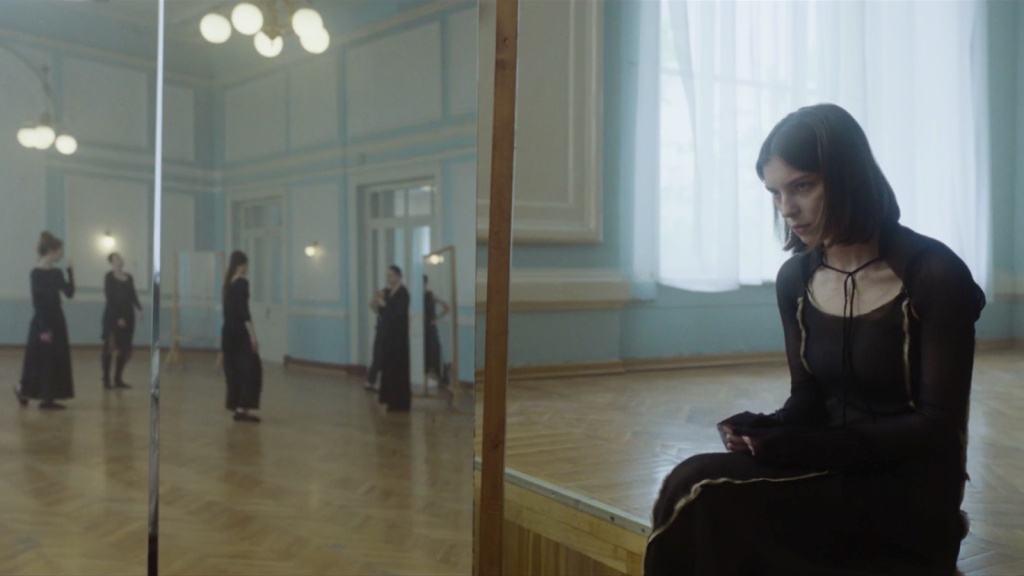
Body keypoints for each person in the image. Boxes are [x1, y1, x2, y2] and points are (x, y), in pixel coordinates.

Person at [644, 103, 986, 576]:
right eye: (775, 192)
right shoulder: (796, 279)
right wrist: (763, 430)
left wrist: (807, 448)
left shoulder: (935, 275)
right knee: (691, 482)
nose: (786, 208)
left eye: (802, 186)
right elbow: (808, 398)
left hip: (910, 497)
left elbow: (937, 426)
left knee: (703, 493)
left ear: (847, 178)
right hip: (829, 470)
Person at [14, 231, 76, 410]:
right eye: (60, 251)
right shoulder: (36, 274)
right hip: (43, 321)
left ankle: (46, 398)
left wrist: (70, 272)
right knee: (38, 359)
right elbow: (38, 302)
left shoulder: (56, 273)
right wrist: (43, 328)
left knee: (54, 358)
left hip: (57, 319)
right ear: (50, 251)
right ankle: (25, 390)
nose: (61, 254)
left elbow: (69, 293)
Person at [221, 250, 262, 423]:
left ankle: (236, 405)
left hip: (227, 332)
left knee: (233, 370)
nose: (247, 268)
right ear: (241, 265)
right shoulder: (242, 283)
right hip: (239, 333)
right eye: (246, 265)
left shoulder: (227, 284)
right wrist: (253, 336)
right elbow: (244, 312)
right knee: (250, 370)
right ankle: (242, 407)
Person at [101, 252, 142, 389]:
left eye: (119, 258)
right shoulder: (109, 277)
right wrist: (118, 317)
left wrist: (139, 308)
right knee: (109, 348)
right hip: (112, 317)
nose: (118, 261)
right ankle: (106, 380)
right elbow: (110, 297)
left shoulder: (129, 277)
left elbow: (133, 294)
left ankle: (118, 379)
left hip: (128, 315)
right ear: (111, 263)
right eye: (115, 259)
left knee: (124, 348)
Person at [376, 265, 410, 412]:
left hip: (399, 338)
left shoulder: (403, 293)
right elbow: (383, 313)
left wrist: (383, 304)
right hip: (389, 336)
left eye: (390, 275)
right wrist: (379, 302)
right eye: (387, 276)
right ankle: (389, 399)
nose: (388, 278)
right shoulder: (389, 292)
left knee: (398, 368)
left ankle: (399, 402)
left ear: (398, 276)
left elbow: (397, 314)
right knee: (389, 367)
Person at [423, 274, 451, 384]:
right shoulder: (415, 296)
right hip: (420, 327)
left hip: (430, 326)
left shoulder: (430, 295)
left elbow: (447, 307)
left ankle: (439, 376)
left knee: (434, 349)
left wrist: (436, 319)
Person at [365, 286, 386, 392]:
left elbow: (384, 305)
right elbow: (371, 305)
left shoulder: (387, 305)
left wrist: (378, 298)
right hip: (380, 332)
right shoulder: (380, 305)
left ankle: (379, 382)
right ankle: (371, 381)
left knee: (383, 358)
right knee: (377, 357)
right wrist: (376, 298)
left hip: (387, 334)